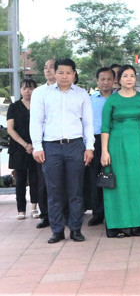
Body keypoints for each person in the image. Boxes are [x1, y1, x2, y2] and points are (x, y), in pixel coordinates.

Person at [31, 58, 94, 243]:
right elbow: (36, 121)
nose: (64, 76)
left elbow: (88, 123)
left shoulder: (82, 94)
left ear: (74, 74)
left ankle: (75, 229)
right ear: (54, 73)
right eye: (61, 72)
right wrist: (37, 146)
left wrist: (89, 147)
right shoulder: (42, 94)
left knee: (75, 190)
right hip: (50, 146)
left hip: (75, 146)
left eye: (68, 73)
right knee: (54, 190)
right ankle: (57, 230)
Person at [100, 65, 140, 238]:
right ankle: (117, 225)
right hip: (115, 144)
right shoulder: (112, 100)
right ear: (119, 79)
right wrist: (104, 151)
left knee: (139, 182)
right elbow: (105, 127)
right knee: (118, 184)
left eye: (132, 75)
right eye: (125, 76)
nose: (129, 79)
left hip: (138, 143)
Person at [86, 68, 115, 226]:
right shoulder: (90, 100)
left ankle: (114, 211)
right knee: (96, 177)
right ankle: (98, 213)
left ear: (114, 81)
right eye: (102, 79)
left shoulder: (119, 98)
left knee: (115, 176)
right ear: (97, 81)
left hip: (115, 141)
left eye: (109, 79)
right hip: (95, 141)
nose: (105, 82)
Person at [7, 79, 38, 220]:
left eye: (30, 88)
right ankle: (21, 210)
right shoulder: (14, 107)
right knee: (20, 180)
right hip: (18, 148)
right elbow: (10, 129)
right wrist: (25, 145)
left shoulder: (39, 106)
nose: (27, 91)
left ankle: (34, 207)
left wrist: (33, 145)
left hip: (36, 147)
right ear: (20, 90)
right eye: (24, 88)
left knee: (35, 178)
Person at [32, 58, 56, 229]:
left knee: (62, 183)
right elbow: (36, 121)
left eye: (51, 67)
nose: (48, 70)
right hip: (45, 143)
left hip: (65, 143)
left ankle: (63, 214)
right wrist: (37, 144)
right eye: (45, 67)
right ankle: (46, 215)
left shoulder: (71, 91)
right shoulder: (39, 92)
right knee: (44, 182)